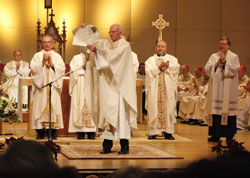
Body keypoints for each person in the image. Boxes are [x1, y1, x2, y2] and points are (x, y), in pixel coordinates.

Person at [80, 23, 137, 154]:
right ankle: (107, 146)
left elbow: (115, 56)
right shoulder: (106, 43)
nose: (111, 34)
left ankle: (124, 146)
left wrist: (98, 51)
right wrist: (88, 27)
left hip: (119, 87)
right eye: (110, 32)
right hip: (107, 86)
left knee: (121, 117)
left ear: (120, 33)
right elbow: (94, 41)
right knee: (106, 118)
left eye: (113, 32)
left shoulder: (124, 45)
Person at [30, 35, 65, 140]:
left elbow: (61, 69)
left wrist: (52, 64)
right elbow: (33, 69)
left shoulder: (57, 56)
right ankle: (40, 132)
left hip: (53, 87)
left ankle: (52, 132)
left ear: (52, 43)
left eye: (49, 42)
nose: (47, 44)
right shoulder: (37, 56)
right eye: (44, 42)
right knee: (39, 106)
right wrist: (42, 62)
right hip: (42, 88)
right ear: (42, 43)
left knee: (54, 107)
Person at [205, 36, 240, 142]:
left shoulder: (234, 56)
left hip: (228, 89)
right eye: (220, 44)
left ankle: (229, 135)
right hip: (216, 88)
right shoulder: (213, 56)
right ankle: (216, 135)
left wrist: (224, 61)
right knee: (215, 111)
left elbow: (234, 69)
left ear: (228, 45)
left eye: (224, 44)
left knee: (228, 111)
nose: (221, 46)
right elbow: (207, 68)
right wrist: (216, 64)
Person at [145, 40, 180, 140]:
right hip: (155, 88)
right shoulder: (150, 60)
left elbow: (176, 69)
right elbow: (148, 71)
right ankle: (153, 132)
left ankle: (168, 132)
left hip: (167, 89)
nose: (160, 48)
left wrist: (168, 67)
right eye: (159, 46)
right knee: (153, 108)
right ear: (156, 48)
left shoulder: (172, 59)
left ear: (166, 48)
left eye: (163, 46)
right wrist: (159, 67)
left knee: (169, 107)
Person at [68, 51, 98, 139]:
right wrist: (82, 69)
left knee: (93, 105)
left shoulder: (96, 57)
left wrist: (90, 69)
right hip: (80, 84)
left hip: (92, 84)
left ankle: (91, 132)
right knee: (79, 104)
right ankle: (80, 131)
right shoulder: (76, 58)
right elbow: (73, 72)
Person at [237, 65, 249, 129]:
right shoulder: (235, 79)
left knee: (241, 102)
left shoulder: (247, 80)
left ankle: (241, 124)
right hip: (238, 97)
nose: (237, 73)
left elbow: (244, 91)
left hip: (245, 97)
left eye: (239, 71)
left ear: (244, 71)